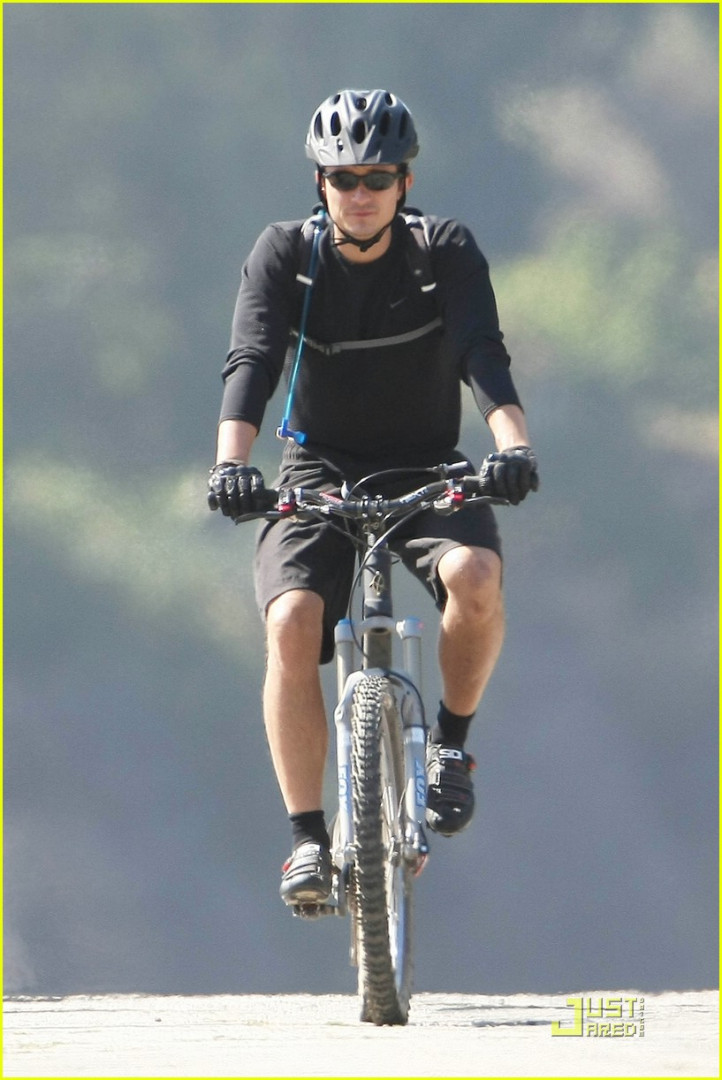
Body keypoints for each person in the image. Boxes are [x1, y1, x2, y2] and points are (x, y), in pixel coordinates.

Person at [208, 89, 538, 908]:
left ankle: (450, 748)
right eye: (344, 178)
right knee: (292, 620)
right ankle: (306, 839)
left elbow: (483, 355)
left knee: (475, 578)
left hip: (426, 464)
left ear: (404, 182)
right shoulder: (286, 255)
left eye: (378, 178)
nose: (361, 194)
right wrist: (231, 464)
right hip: (317, 469)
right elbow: (253, 359)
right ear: (320, 183)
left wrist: (512, 448)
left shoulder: (441, 251)